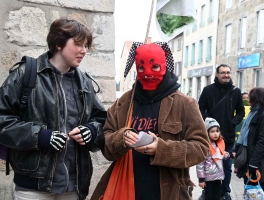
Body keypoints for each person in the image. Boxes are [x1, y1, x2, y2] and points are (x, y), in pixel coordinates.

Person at [0, 18, 107, 200]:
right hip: (33, 186)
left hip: (73, 185)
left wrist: (91, 130)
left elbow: (102, 121)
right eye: (78, 44)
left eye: (85, 45)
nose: (84, 50)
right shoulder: (26, 74)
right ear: (59, 43)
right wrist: (39, 136)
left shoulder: (84, 83)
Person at [91, 42, 209, 200]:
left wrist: (161, 149)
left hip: (169, 193)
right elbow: (106, 145)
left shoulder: (185, 104)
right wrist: (122, 137)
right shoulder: (123, 103)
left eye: (154, 67)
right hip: (127, 189)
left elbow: (201, 148)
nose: (147, 73)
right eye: (141, 68)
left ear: (164, 66)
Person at [198, 64, 245, 200]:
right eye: (223, 72)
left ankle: (225, 192)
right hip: (209, 137)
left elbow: (241, 111)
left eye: (228, 72)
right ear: (217, 74)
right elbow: (200, 109)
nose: (226, 75)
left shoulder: (236, 91)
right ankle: (207, 191)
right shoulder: (208, 90)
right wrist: (209, 122)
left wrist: (233, 122)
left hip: (227, 136)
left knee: (226, 166)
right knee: (208, 164)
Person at [233, 87, 264, 188]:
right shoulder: (253, 112)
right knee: (251, 190)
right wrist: (236, 149)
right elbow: (244, 133)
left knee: (257, 191)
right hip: (250, 158)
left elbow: (261, 141)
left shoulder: (261, 114)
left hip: (258, 162)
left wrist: (253, 164)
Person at [196, 117, 232, 200]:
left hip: (218, 176)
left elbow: (221, 155)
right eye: (212, 132)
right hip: (208, 177)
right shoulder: (204, 146)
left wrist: (229, 155)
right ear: (207, 133)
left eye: (217, 131)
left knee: (217, 196)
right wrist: (201, 179)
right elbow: (200, 164)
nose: (215, 134)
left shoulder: (219, 144)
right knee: (209, 197)